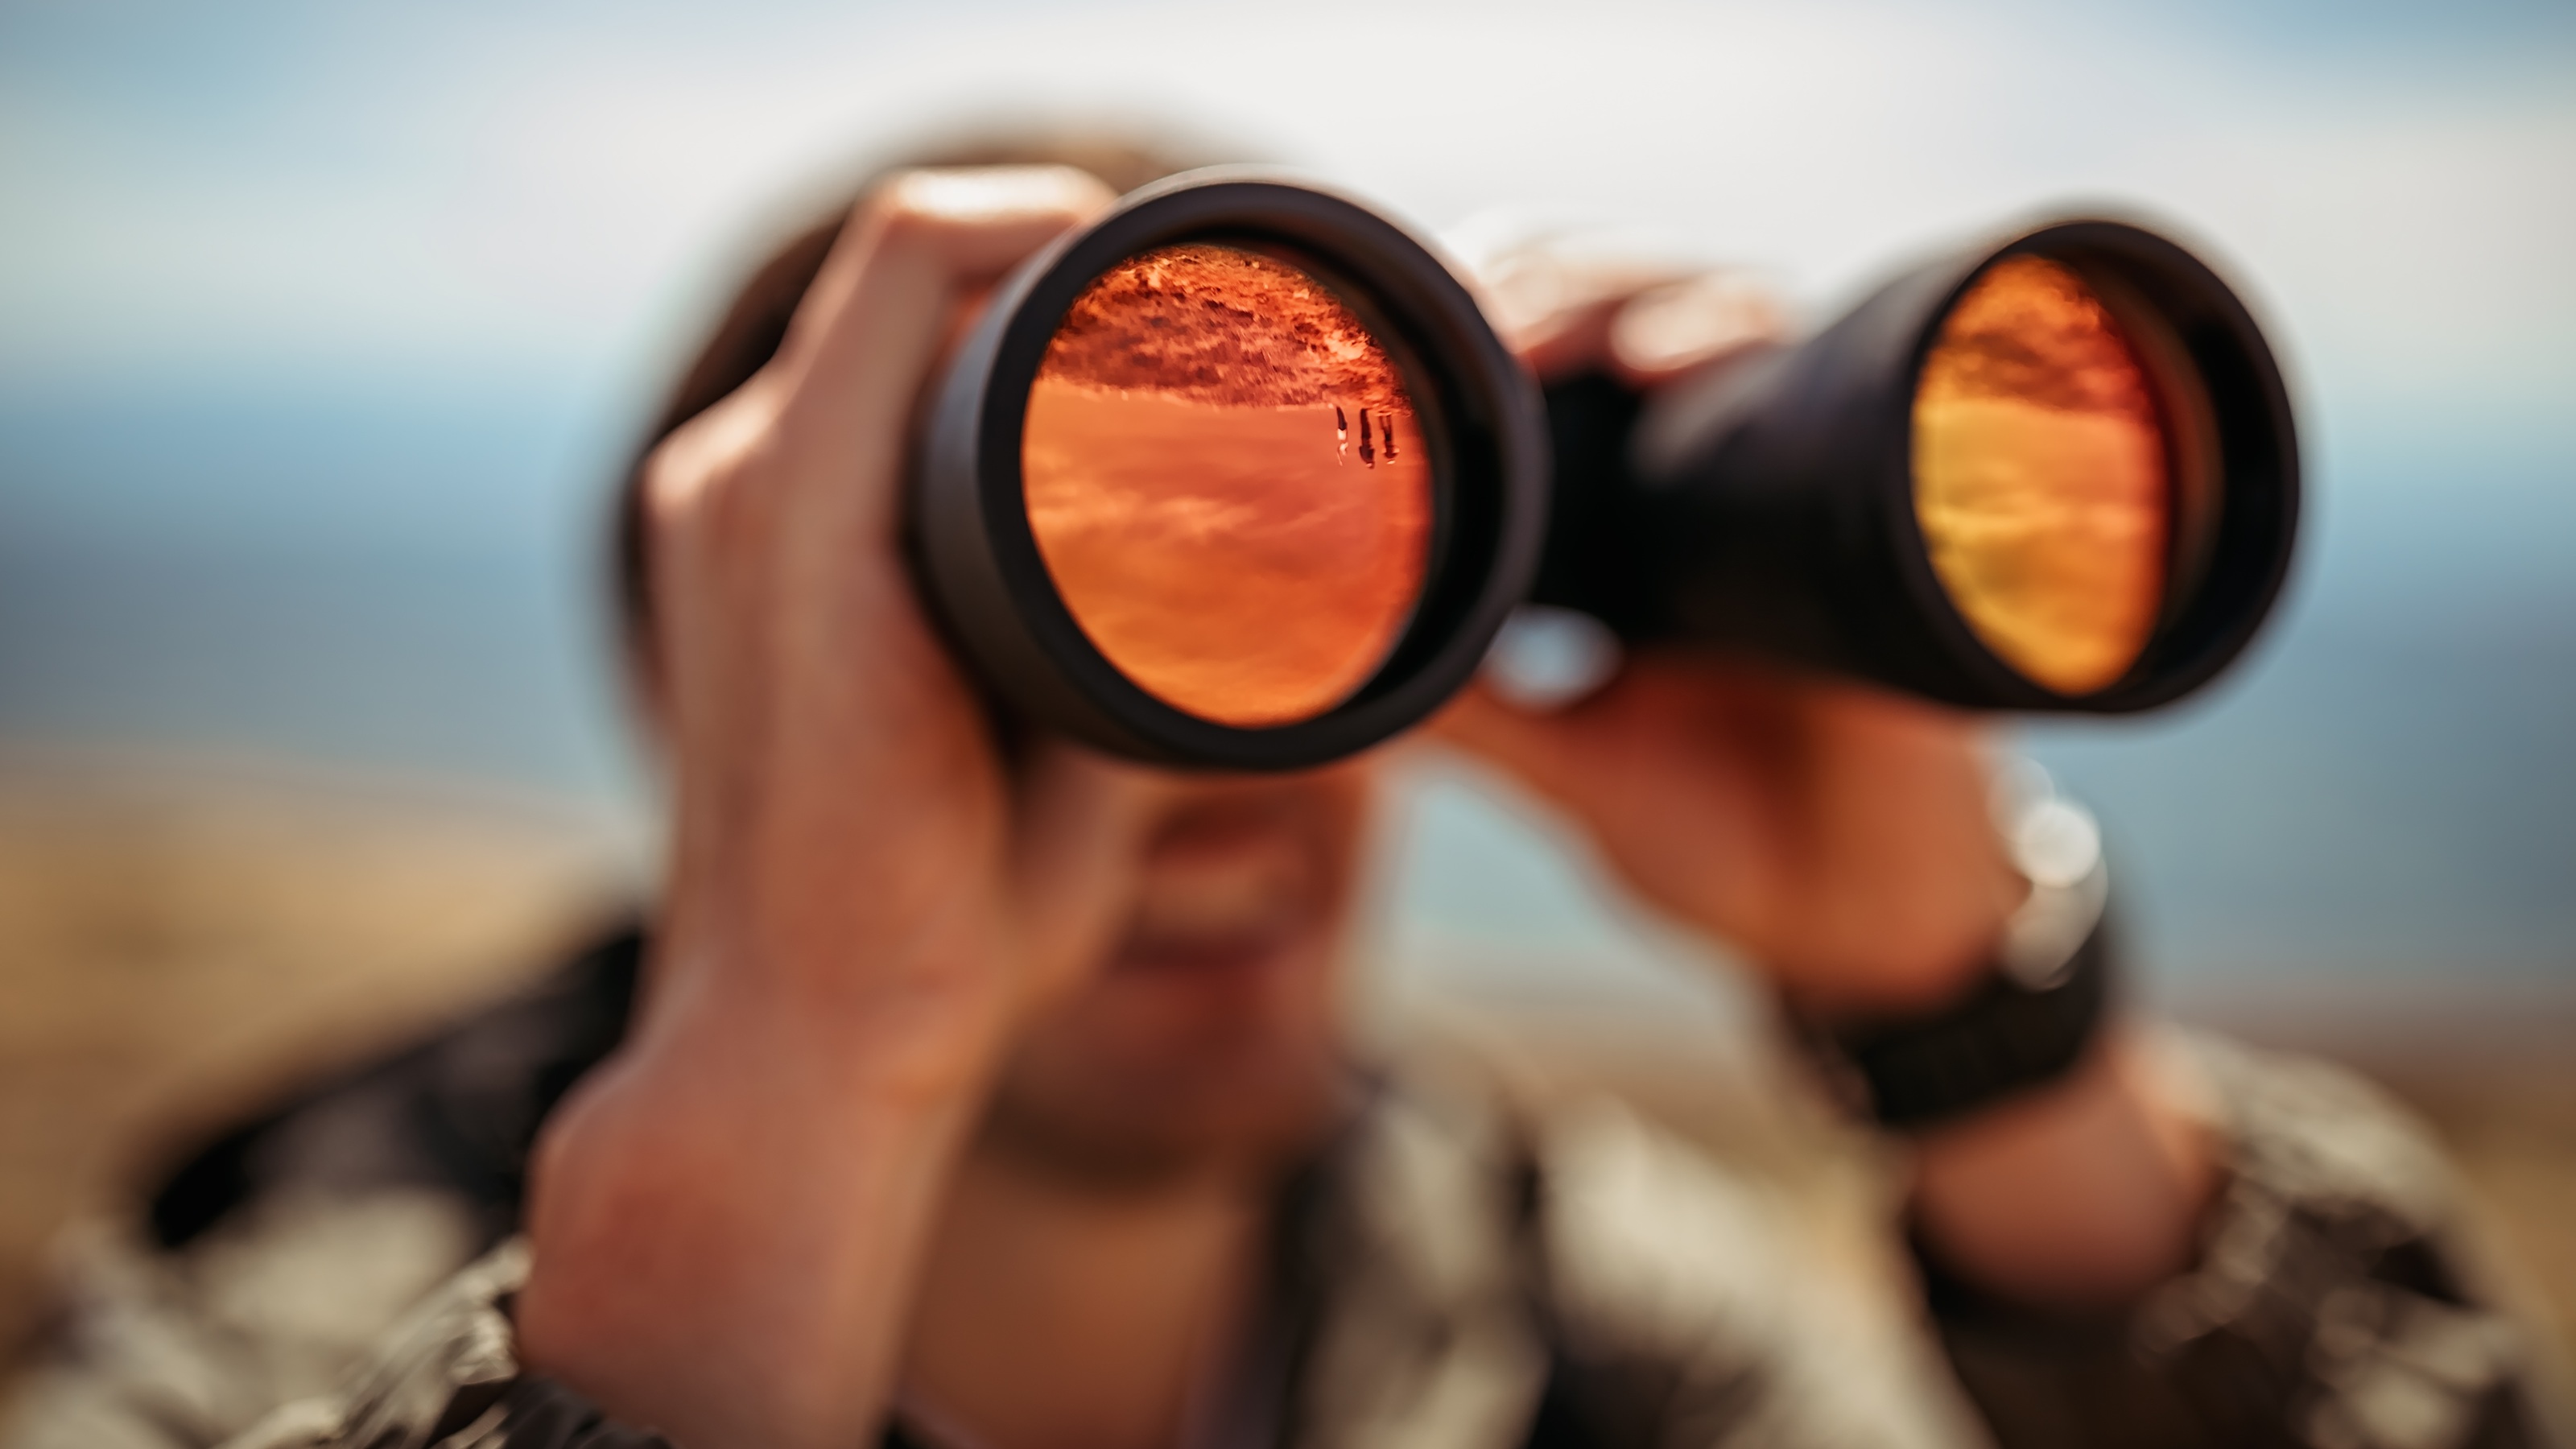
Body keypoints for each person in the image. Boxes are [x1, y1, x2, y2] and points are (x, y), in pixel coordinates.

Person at [2, 134, 2559, 1449]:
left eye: (1315, 599)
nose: (1217, 797)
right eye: (1076, 620)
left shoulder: (1569, 1315)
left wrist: (1962, 1027)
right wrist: (767, 1124)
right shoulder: (298, 1301)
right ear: (743, 735)